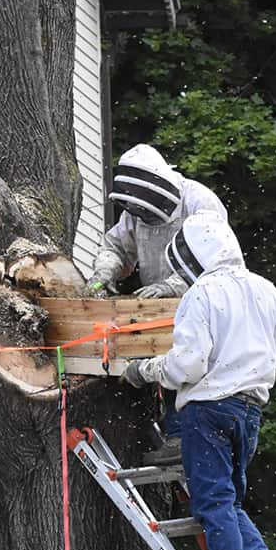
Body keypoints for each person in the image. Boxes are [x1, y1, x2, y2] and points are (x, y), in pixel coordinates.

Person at [120, 211, 276, 550]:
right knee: (228, 501)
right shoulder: (265, 289)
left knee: (213, 504)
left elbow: (187, 365)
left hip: (208, 412)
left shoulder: (201, 294)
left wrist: (144, 370)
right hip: (251, 410)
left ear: (192, 255)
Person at [85, 144, 228, 465]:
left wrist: (171, 286)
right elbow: (117, 247)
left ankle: (181, 438)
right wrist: (102, 274)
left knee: (189, 366)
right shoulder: (136, 213)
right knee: (147, 366)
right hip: (158, 309)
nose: (147, 217)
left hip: (203, 300)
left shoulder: (199, 201)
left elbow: (216, 256)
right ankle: (164, 434)